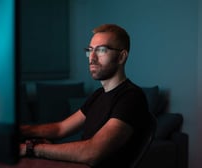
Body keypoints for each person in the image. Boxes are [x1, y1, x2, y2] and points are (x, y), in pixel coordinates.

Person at [20, 24, 151, 168]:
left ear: (121, 57)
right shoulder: (98, 95)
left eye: (101, 50)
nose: (92, 58)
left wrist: (32, 149)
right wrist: (20, 130)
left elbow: (92, 152)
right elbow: (60, 128)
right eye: (90, 50)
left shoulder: (131, 98)